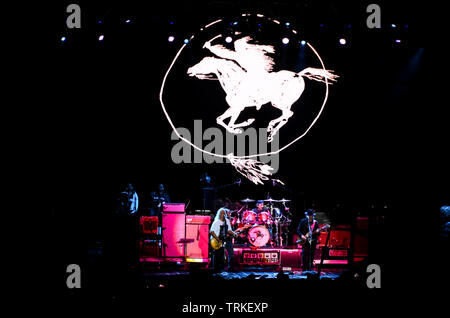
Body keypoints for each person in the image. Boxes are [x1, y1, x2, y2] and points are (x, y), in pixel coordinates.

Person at [210, 207, 236, 271]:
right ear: (219, 214)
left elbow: (229, 230)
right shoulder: (216, 222)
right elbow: (212, 232)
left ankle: (231, 267)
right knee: (218, 254)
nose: (223, 214)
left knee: (231, 252)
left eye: (224, 213)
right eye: (222, 213)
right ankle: (216, 268)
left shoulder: (227, 221)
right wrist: (218, 239)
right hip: (217, 239)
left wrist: (234, 234)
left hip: (225, 238)